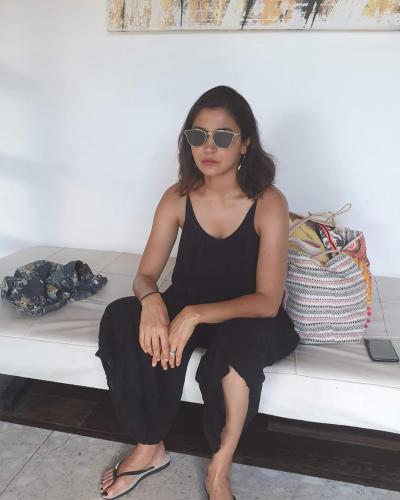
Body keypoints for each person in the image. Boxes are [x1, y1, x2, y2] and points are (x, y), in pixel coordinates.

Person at [96, 85, 300, 500]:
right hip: (187, 301)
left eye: (223, 136)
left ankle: (220, 466)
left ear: (245, 144)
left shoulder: (268, 202)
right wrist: (152, 301)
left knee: (238, 349)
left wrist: (194, 314)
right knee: (121, 316)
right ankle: (150, 446)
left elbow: (267, 300)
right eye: (197, 135)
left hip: (246, 314)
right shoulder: (177, 198)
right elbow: (145, 275)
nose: (208, 147)